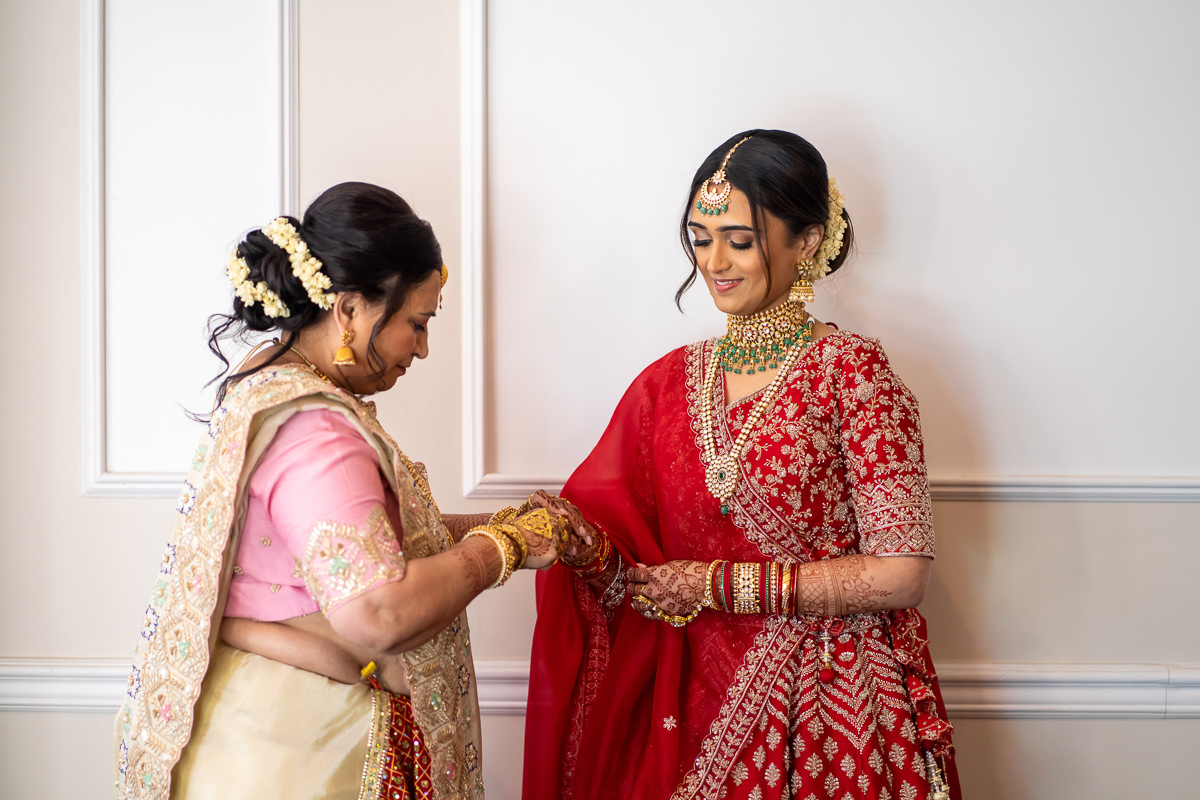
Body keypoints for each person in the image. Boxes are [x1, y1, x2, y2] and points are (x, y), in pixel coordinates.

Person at [523, 131, 959, 799]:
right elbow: (638, 575)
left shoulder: (854, 374)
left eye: (739, 240)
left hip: (828, 709)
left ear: (806, 241)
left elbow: (902, 575)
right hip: (688, 695)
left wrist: (716, 585)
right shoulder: (667, 384)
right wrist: (586, 550)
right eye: (700, 238)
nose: (714, 262)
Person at [115, 182, 566, 800]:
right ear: (350, 309)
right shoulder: (314, 430)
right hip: (303, 751)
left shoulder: (266, 381)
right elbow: (378, 611)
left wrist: (497, 524)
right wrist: (500, 549)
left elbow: (355, 549)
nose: (423, 348)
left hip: (263, 727)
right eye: (417, 324)